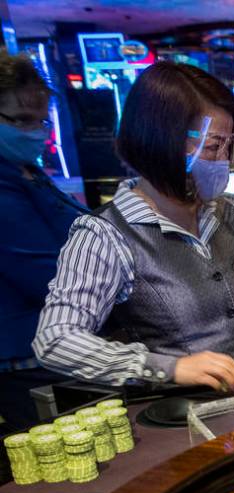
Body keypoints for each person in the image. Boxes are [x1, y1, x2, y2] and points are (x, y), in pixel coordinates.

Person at [35, 62, 234, 392]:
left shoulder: (232, 211)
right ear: (160, 141)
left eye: (229, 147)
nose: (223, 160)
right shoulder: (104, 234)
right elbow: (55, 339)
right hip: (178, 411)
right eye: (213, 147)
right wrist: (167, 367)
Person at [0, 53, 89, 433]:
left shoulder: (28, 171)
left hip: (63, 341)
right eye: (21, 120)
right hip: (27, 356)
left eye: (40, 120)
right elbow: (46, 276)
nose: (35, 131)